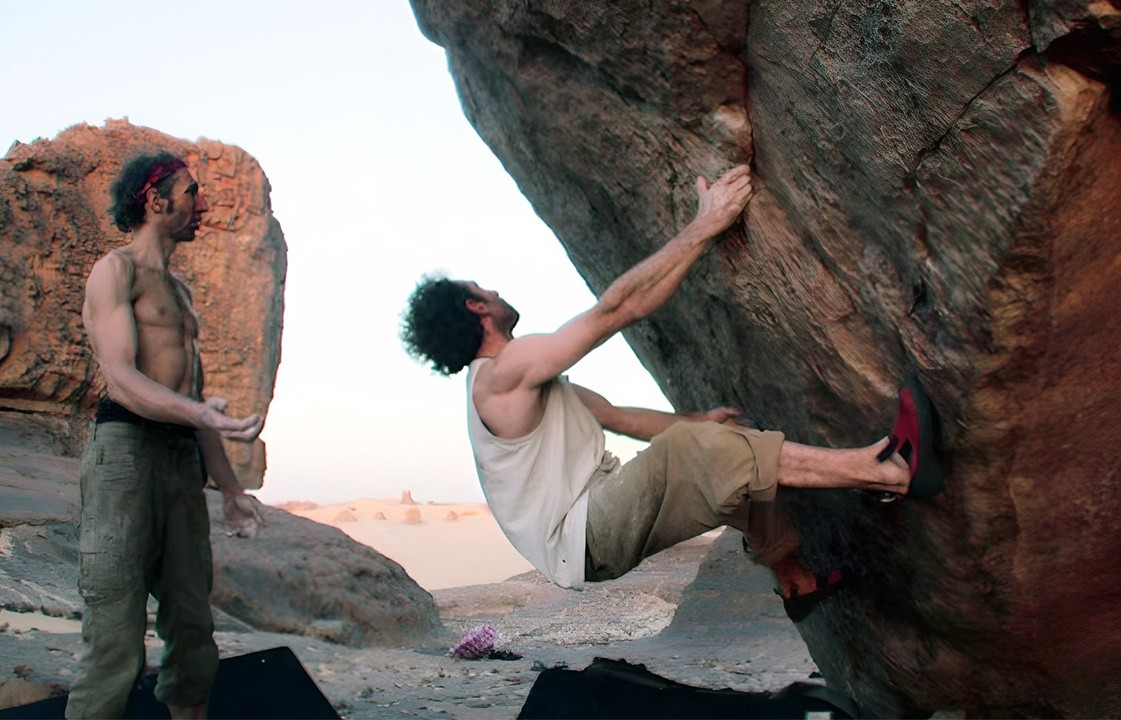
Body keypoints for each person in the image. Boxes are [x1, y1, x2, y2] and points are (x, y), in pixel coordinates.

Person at [401, 165, 942, 618]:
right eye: (483, 289)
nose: (494, 290)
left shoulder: (525, 387)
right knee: (697, 455)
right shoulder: (501, 374)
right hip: (588, 532)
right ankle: (891, 470)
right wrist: (704, 226)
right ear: (477, 308)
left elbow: (619, 416)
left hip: (592, 532)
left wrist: (703, 420)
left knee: (723, 458)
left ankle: (797, 581)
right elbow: (616, 309)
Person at [67, 151, 266, 719]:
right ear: (155, 201)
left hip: (181, 462)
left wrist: (230, 491)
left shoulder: (180, 294)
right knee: (114, 639)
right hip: (124, 454)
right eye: (190, 193)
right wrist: (201, 414)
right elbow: (123, 379)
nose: (202, 205)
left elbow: (195, 403)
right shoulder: (116, 270)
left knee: (194, 633)